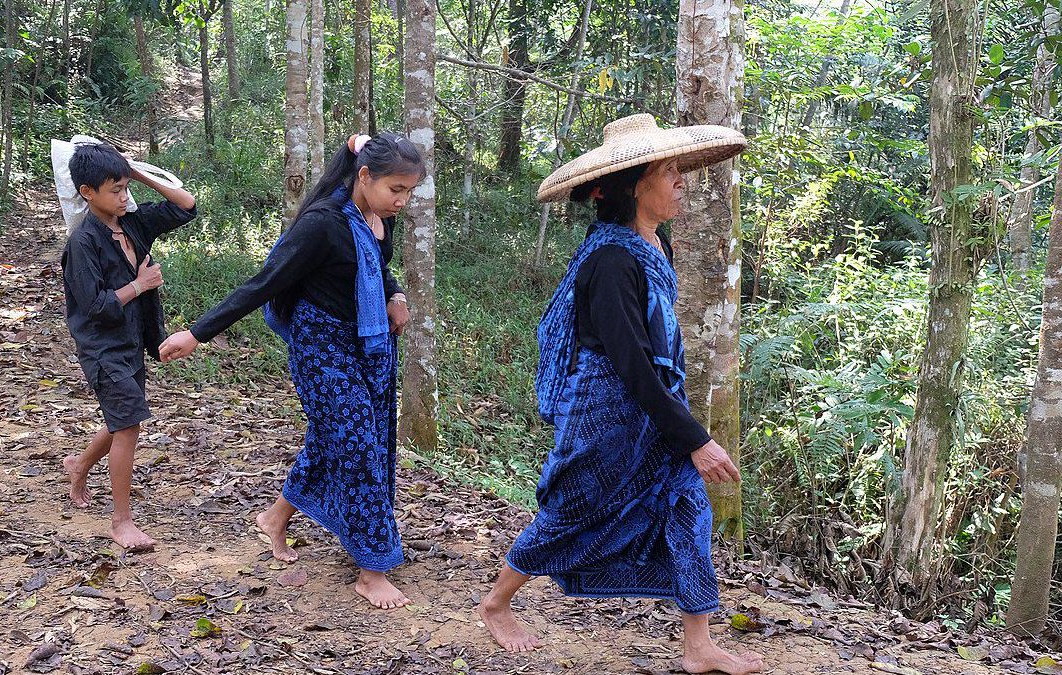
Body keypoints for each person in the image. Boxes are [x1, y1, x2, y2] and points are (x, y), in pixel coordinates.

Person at [477, 115, 764, 675]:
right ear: (637, 183)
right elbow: (631, 362)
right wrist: (696, 438)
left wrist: (681, 435)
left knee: (687, 508)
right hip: (606, 412)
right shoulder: (610, 260)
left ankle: (699, 645)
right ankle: (496, 602)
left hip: (654, 410)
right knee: (569, 511)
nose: (681, 182)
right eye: (670, 172)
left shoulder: (656, 244)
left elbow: (656, 351)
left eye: (681, 171)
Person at [158, 133, 423, 609]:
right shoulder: (322, 225)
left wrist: (396, 296)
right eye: (395, 190)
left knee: (338, 439)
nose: (402, 201)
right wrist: (196, 333)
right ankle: (371, 568)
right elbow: (264, 282)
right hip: (322, 347)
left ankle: (276, 517)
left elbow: (379, 271)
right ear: (364, 176)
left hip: (370, 345)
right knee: (357, 443)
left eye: (409, 191)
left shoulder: (379, 218)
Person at [60, 142, 198, 552]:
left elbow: (187, 206)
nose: (124, 197)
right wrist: (139, 285)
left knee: (124, 415)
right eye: (114, 189)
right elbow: (96, 306)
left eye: (125, 188)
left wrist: (136, 173)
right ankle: (121, 522)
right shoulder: (82, 243)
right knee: (129, 424)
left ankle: (80, 463)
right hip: (102, 345)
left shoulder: (133, 224)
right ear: (87, 192)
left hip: (133, 339)